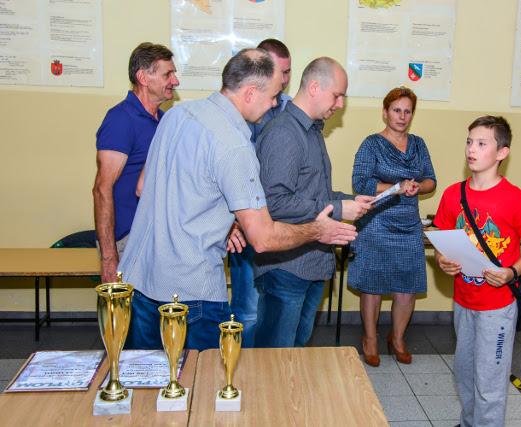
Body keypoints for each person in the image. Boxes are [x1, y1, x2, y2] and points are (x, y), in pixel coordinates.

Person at [118, 49, 357, 351]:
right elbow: (263, 239)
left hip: (140, 282)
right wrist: (318, 230)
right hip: (191, 295)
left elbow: (146, 187)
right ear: (250, 93)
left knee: (146, 377)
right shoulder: (235, 145)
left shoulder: (177, 115)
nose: (275, 104)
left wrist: (225, 221)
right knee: (201, 379)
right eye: (273, 96)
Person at [253, 57, 374, 348]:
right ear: (315, 87)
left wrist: (349, 200)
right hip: (286, 268)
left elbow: (313, 192)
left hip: (312, 264)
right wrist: (340, 209)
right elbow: (275, 202)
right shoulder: (284, 132)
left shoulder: (311, 131)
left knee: (297, 353)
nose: (340, 104)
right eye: (337, 95)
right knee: (275, 357)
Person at [433, 116, 521, 427]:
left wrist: (512, 272)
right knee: (464, 373)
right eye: (469, 142)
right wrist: (442, 260)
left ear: (501, 153)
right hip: (463, 300)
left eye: (482, 144)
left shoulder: (515, 199)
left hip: (497, 307)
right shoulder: (453, 194)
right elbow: (442, 239)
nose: (472, 149)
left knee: (490, 380)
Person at [348, 87, 436, 367]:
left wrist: (418, 186)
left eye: (407, 111)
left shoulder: (419, 144)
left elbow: (431, 180)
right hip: (376, 222)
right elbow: (361, 183)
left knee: (407, 286)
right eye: (396, 110)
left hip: (409, 224)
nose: (402, 116)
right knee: (372, 286)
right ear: (385, 112)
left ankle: (397, 338)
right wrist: (396, 187)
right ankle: (370, 339)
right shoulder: (371, 144)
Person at [92, 42, 179, 283]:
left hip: (155, 240)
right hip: (126, 242)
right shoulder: (121, 119)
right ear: (143, 77)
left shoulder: (163, 120)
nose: (175, 81)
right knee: (125, 310)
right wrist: (109, 257)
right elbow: (101, 189)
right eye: (167, 74)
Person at [229, 39, 292, 347]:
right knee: (248, 309)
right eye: (279, 72)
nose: (284, 80)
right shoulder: (239, 112)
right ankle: (238, 367)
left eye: (288, 72)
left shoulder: (290, 108)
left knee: (276, 309)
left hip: (279, 223)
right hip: (246, 221)